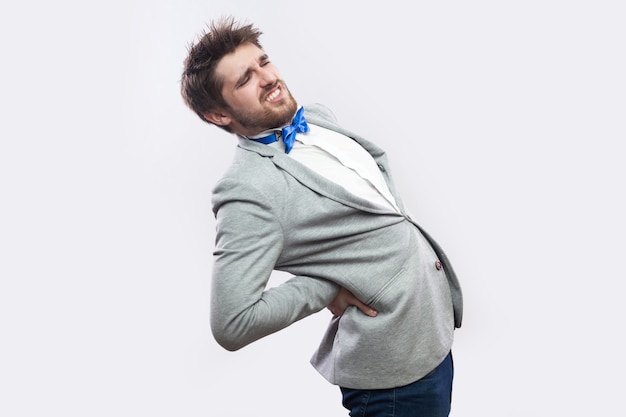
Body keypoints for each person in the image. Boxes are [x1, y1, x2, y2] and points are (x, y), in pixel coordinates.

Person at [180, 16, 463, 417]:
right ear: (218, 115)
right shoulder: (246, 190)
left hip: (429, 341)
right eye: (244, 79)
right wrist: (325, 288)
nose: (267, 78)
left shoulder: (317, 116)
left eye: (263, 62)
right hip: (392, 379)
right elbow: (232, 322)